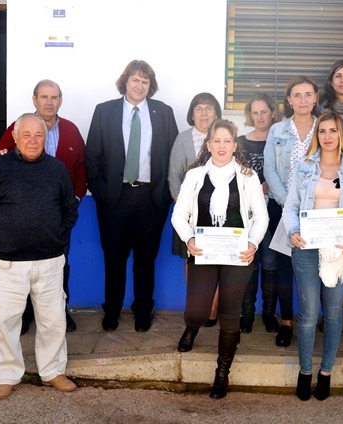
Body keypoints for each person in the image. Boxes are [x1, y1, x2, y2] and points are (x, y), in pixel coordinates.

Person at [0, 113, 79, 400]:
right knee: (6, 320)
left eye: (39, 135)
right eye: (27, 135)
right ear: (15, 137)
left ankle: (53, 371)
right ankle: (7, 376)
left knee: (53, 320)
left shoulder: (56, 169)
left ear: (46, 138)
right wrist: (1, 238)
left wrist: (56, 236)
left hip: (50, 260)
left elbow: (70, 209)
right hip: (8, 262)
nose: (33, 140)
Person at [171, 119, 269, 399]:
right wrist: (189, 238)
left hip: (238, 254)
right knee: (198, 311)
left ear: (234, 145)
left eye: (228, 141)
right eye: (217, 141)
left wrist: (253, 243)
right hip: (203, 252)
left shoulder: (247, 177)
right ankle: (192, 327)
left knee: (229, 314)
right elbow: (179, 215)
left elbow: (261, 217)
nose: (222, 146)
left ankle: (222, 372)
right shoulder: (195, 176)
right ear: (209, 144)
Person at [85, 60, 179, 332]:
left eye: (145, 81)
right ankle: (112, 310)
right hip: (114, 199)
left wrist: (162, 195)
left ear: (151, 86)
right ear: (125, 81)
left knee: (145, 259)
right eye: (135, 79)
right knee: (113, 258)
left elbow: (172, 156)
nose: (140, 85)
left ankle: (142, 310)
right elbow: (92, 156)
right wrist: (101, 192)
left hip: (151, 199)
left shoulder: (163, 112)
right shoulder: (105, 111)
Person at [0, 79, 87, 334]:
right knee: (24, 268)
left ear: (60, 101)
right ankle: (24, 315)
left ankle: (59, 311)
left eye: (54, 97)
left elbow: (80, 169)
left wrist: (74, 201)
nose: (49, 102)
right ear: (34, 100)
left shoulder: (71, 131)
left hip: (59, 216)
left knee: (59, 265)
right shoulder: (20, 126)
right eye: (43, 97)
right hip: (24, 216)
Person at [283, 112, 343, 401]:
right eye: (322, 131)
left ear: (341, 134)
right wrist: (293, 230)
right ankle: (305, 371)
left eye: (333, 131)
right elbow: (290, 205)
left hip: (339, 251)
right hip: (306, 246)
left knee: (332, 314)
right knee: (307, 315)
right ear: (317, 135)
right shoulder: (304, 166)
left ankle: (326, 372)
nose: (327, 136)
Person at [264, 76, 319, 347]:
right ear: (289, 100)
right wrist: (288, 204)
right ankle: (286, 321)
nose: (303, 100)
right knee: (285, 265)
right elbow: (269, 169)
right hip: (282, 207)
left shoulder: (326, 128)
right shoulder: (277, 130)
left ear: (316, 98)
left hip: (318, 209)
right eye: (297, 95)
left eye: (308, 94)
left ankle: (313, 318)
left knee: (315, 265)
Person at [168, 93, 223, 328]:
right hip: (190, 215)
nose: (204, 114)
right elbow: (174, 176)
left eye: (209, 109)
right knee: (192, 260)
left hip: (221, 214)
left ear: (217, 114)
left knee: (219, 260)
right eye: (199, 109)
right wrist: (185, 207)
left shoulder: (225, 137)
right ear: (192, 114)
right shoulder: (183, 139)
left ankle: (212, 310)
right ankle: (195, 308)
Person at [238, 93, 282, 333]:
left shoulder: (279, 141)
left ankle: (268, 313)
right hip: (247, 214)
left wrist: (272, 184)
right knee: (249, 262)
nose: (259, 116)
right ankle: (247, 313)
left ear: (273, 113)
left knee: (270, 262)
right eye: (255, 112)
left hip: (274, 211)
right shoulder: (240, 142)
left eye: (264, 111)